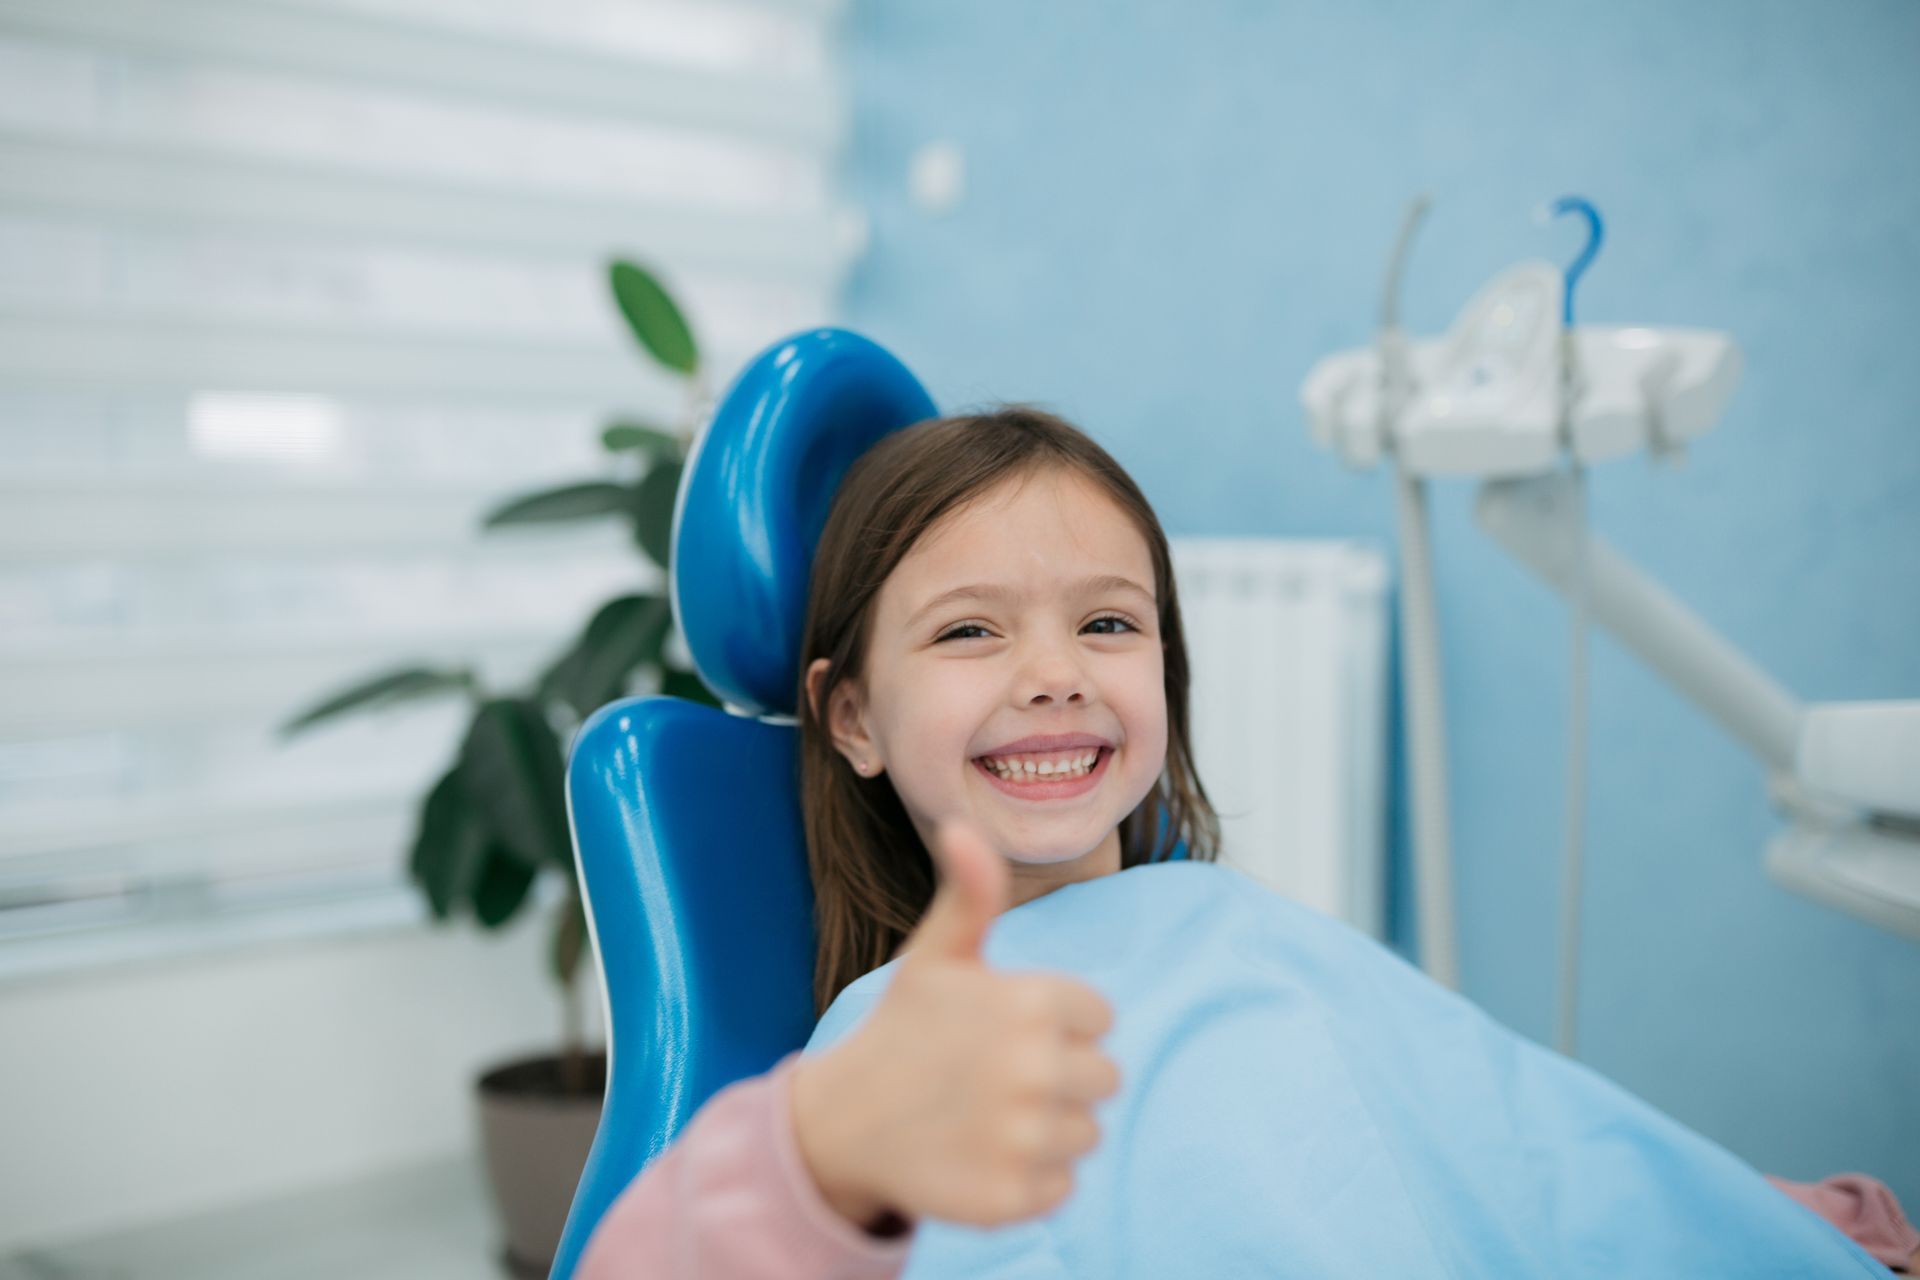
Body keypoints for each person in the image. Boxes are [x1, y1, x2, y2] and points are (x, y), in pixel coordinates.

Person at [579, 407, 1917, 1277]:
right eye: (971, 630)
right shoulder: (892, 1046)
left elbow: (1508, 1142)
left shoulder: (1236, 928)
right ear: (853, 715)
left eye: (1108, 625)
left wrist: (1751, 1222)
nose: (1056, 674)